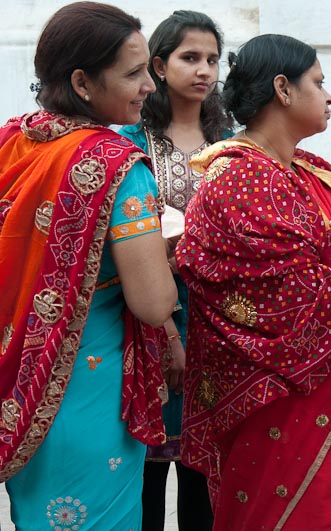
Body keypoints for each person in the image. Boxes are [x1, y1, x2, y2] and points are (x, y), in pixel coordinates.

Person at [175, 34, 331, 530]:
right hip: (286, 394)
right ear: (283, 89)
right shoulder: (241, 177)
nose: (329, 95)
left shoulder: (315, 172)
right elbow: (302, 300)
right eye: (318, 82)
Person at [0, 3, 177, 530]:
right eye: (132, 73)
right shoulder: (117, 166)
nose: (149, 84)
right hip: (87, 393)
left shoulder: (15, 141)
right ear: (81, 81)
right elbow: (154, 302)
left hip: (18, 389)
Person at [119, 10, 232, 531]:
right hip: (143, 319)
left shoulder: (232, 144)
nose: (204, 70)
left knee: (204, 474)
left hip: (219, 324)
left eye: (212, 59)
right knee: (142, 476)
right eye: (190, 58)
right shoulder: (128, 143)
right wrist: (163, 326)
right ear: (159, 66)